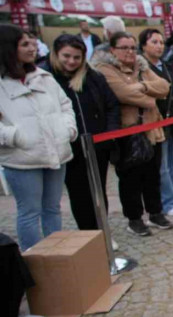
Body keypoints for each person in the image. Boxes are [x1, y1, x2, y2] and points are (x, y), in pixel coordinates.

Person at [0, 24, 77, 250]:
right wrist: (15, 136)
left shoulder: (43, 77)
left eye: (32, 43)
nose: (32, 48)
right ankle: (34, 264)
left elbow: (65, 105)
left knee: (52, 208)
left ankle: (58, 258)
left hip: (56, 153)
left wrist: (67, 130)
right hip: (22, 159)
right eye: (25, 44)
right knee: (29, 212)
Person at [93, 31, 173, 236]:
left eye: (132, 47)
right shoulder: (104, 69)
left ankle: (155, 212)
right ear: (112, 50)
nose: (129, 52)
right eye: (124, 48)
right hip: (128, 132)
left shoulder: (142, 66)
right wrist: (150, 99)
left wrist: (143, 85)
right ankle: (134, 218)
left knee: (153, 174)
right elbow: (123, 93)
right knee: (130, 179)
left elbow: (164, 86)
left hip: (152, 129)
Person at [42, 34, 120, 232]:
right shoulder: (45, 78)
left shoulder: (94, 77)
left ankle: (103, 230)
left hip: (97, 145)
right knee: (79, 193)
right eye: (66, 56)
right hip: (69, 147)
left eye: (77, 57)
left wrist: (109, 135)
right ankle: (88, 233)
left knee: (99, 191)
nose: (71, 61)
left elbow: (111, 105)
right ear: (55, 54)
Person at [140, 28, 173, 216]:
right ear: (144, 46)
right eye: (154, 42)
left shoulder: (167, 65)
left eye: (161, 42)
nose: (159, 46)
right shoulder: (143, 69)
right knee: (162, 167)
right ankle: (168, 201)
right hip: (158, 121)